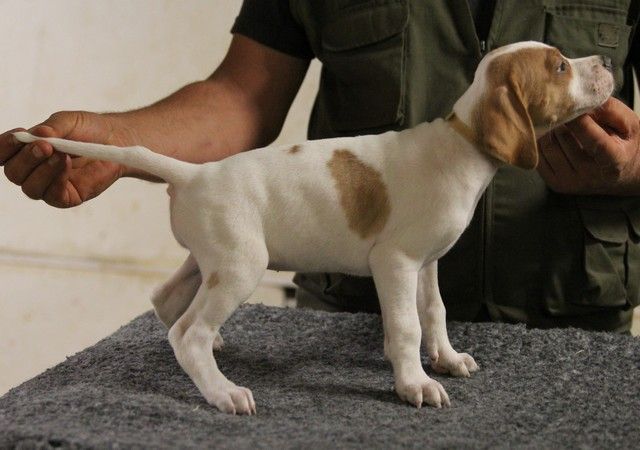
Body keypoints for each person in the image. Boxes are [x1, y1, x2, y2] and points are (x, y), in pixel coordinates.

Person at [2, 0, 640, 332]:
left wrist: (634, 165)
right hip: (344, 322)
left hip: (571, 315)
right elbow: (244, 96)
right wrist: (118, 143)